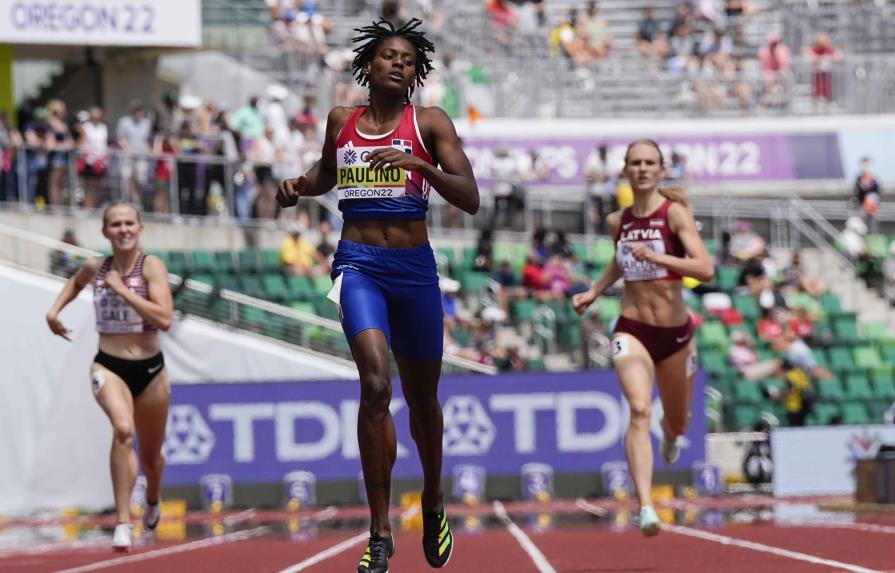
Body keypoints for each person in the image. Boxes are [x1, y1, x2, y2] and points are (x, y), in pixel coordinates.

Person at [276, 19, 479, 573]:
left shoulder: (430, 123)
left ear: (416, 73)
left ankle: (433, 498)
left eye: (409, 60)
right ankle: (380, 530)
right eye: (389, 56)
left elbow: (471, 198)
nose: (399, 64)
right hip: (359, 263)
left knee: (423, 402)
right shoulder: (341, 120)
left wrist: (421, 166)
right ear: (368, 65)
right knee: (373, 383)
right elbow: (327, 171)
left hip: (413, 270)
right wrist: (298, 186)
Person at [571, 139, 714, 537]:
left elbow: (705, 269)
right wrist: (595, 291)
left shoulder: (676, 214)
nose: (643, 169)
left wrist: (661, 259)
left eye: (650, 162)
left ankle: (672, 437)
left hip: (676, 336)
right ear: (626, 170)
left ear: (662, 170)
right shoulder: (618, 221)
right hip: (632, 328)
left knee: (678, 421)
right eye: (636, 163)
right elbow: (621, 260)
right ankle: (647, 506)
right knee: (638, 409)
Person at [44, 202, 173, 552]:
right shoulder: (96, 267)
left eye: (130, 223)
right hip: (108, 365)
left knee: (152, 459)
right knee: (122, 429)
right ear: (105, 231)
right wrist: (54, 311)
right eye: (115, 224)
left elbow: (164, 319)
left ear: (140, 228)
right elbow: (75, 281)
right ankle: (122, 522)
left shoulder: (152, 267)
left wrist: (122, 290)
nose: (123, 229)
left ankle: (152, 496)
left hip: (150, 370)